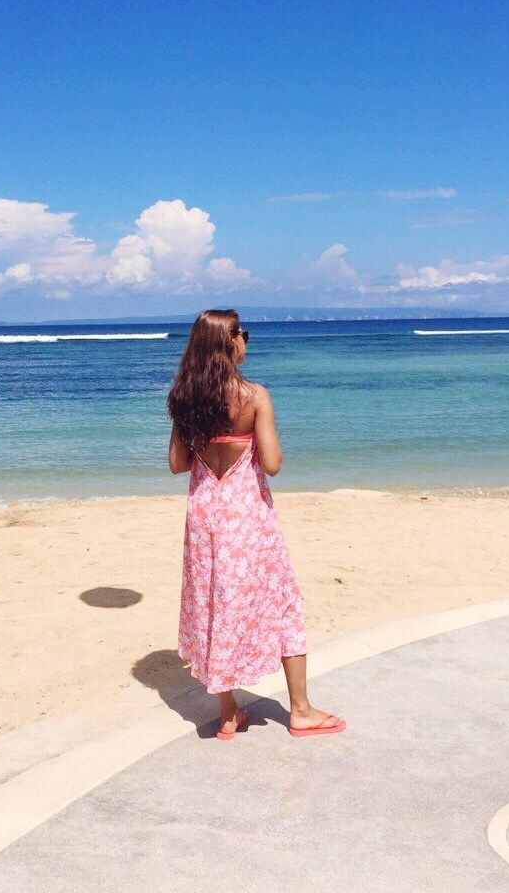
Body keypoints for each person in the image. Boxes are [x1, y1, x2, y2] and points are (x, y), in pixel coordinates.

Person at [167, 309, 346, 741]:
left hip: (206, 517)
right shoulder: (254, 396)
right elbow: (272, 463)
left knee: (212, 604)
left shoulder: (185, 399)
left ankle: (228, 713)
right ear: (229, 343)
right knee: (282, 601)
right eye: (243, 333)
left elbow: (177, 464)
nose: (247, 340)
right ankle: (300, 710)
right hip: (247, 517)